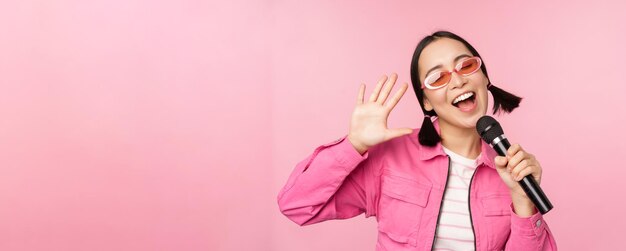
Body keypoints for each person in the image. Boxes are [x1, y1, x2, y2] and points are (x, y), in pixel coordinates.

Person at [277, 30, 557, 250]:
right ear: (427, 101)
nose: (457, 81)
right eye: (438, 77)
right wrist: (354, 145)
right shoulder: (391, 158)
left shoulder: (510, 169)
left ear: (484, 78)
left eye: (466, 66)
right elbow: (296, 205)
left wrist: (522, 201)